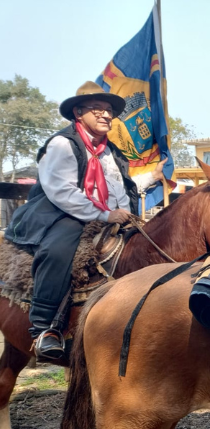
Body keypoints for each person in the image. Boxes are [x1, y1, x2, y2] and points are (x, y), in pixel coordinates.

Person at [5, 81, 158, 360]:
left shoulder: (111, 151)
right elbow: (61, 190)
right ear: (78, 113)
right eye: (97, 109)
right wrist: (104, 214)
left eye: (109, 110)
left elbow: (119, 188)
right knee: (57, 250)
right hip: (62, 214)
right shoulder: (62, 144)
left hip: (109, 216)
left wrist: (136, 200)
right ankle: (44, 328)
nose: (106, 115)